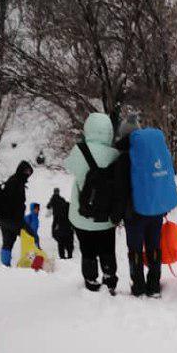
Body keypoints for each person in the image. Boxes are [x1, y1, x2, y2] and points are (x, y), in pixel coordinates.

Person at [114, 110, 176, 299]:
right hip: (155, 210)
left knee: (135, 250)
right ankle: (154, 285)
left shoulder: (124, 158)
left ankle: (139, 286)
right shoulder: (151, 153)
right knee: (153, 247)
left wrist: (117, 215)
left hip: (134, 213)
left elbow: (121, 190)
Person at [64, 113, 119, 294]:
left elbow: (68, 165)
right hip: (106, 217)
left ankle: (91, 279)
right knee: (107, 247)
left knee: (87, 250)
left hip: (82, 215)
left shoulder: (79, 151)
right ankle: (110, 277)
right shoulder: (115, 155)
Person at [0, 160, 34, 267]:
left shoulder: (12, 180)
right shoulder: (17, 182)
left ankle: (5, 267)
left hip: (3, 219)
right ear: (22, 170)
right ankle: (31, 261)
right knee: (31, 236)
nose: (28, 175)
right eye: (27, 172)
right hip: (13, 218)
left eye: (29, 173)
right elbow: (16, 202)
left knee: (8, 242)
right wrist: (20, 216)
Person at [46, 188, 75, 260]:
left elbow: (48, 206)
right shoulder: (63, 201)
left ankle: (62, 255)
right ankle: (69, 254)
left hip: (58, 220)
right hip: (67, 223)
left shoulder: (53, 199)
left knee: (58, 237)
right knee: (69, 238)